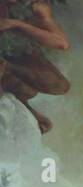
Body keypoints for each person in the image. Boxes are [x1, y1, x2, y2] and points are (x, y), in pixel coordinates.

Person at [0, 1, 69, 134]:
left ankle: (23, 106)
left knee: (59, 85)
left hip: (18, 59)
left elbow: (61, 43)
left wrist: (16, 24)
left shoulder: (34, 6)